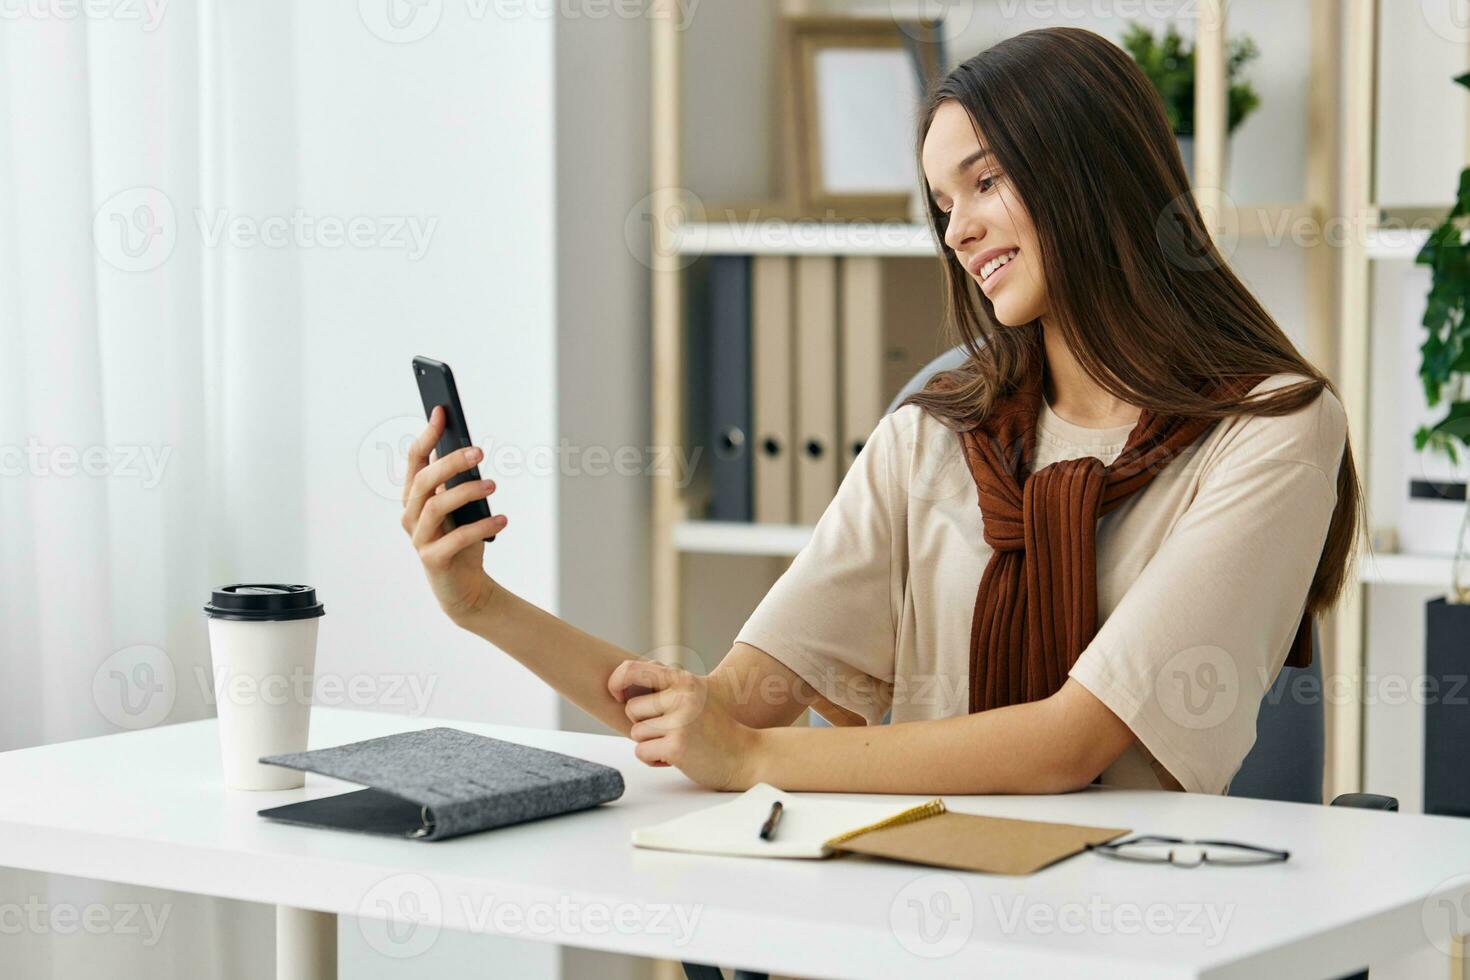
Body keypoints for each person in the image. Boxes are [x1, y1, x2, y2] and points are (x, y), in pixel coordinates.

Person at [399, 27, 1359, 797]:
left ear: (1092, 175)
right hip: (908, 904)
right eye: (943, 202)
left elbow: (1072, 743)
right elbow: (731, 707)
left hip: (1136, 929)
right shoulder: (936, 434)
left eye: (985, 181)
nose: (960, 229)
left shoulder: (1273, 429)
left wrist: (754, 759)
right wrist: (482, 605)